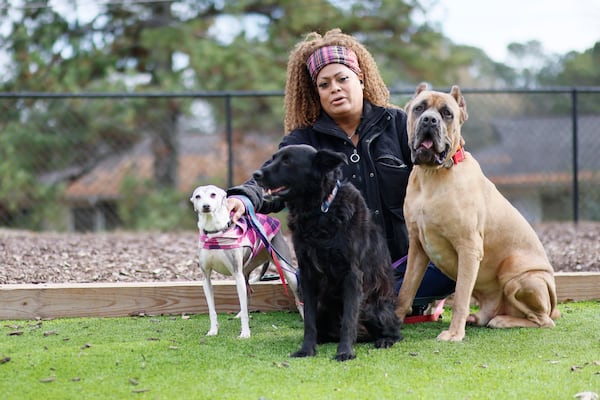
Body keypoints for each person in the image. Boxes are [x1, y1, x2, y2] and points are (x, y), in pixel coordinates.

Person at [226, 28, 455, 321]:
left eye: (342, 78)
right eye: (324, 84)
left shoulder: (400, 123)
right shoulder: (304, 142)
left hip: (406, 265)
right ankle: (366, 307)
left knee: (450, 266)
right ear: (316, 93)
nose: (334, 88)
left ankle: (376, 306)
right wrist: (241, 200)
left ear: (361, 79)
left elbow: (449, 163)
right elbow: (267, 183)